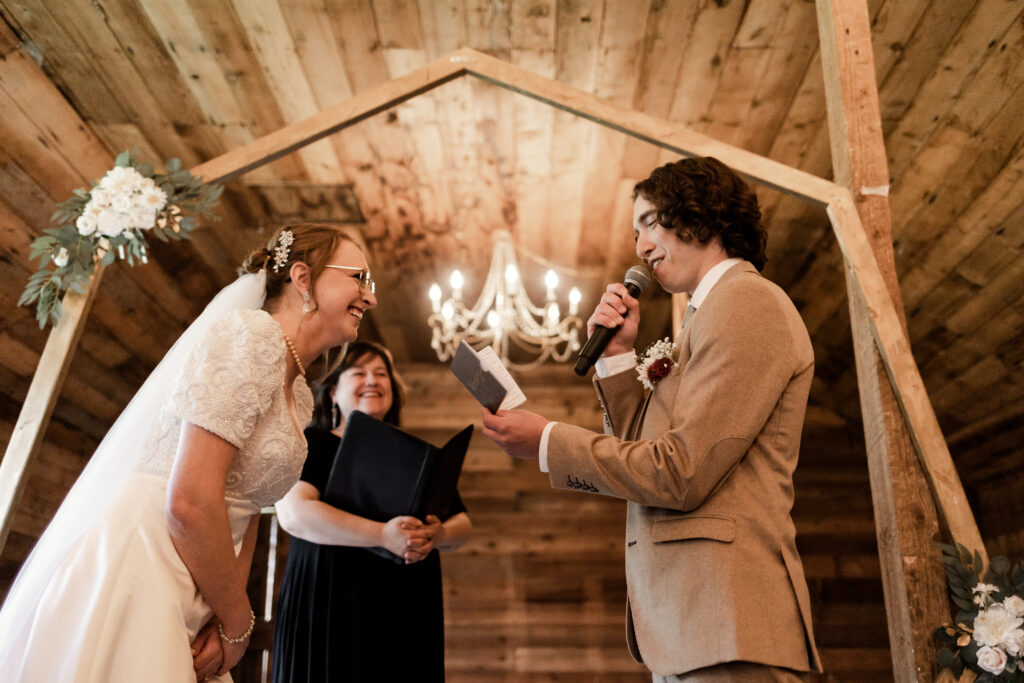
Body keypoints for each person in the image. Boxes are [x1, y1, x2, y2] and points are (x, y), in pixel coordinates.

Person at [481, 157, 824, 682]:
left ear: (699, 215)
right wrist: (618, 357)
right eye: (636, 230)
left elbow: (679, 472)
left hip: (730, 620)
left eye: (650, 222)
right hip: (694, 624)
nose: (640, 246)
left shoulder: (746, 302)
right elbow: (645, 456)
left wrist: (548, 441)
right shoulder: (705, 314)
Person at [0, 222, 377, 681]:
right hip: (147, 562)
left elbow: (250, 507)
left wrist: (224, 616)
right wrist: (240, 621)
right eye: (359, 278)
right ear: (302, 277)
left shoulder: (299, 390)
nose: (370, 297)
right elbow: (189, 501)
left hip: (205, 577)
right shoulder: (251, 338)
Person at [272, 341, 473, 683]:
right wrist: (383, 536)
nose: (373, 380)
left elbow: (463, 525)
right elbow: (294, 513)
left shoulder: (415, 455)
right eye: (360, 372)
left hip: (404, 611)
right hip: (331, 603)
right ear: (333, 393)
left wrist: (438, 534)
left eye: (382, 374)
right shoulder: (314, 443)